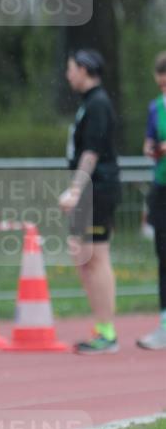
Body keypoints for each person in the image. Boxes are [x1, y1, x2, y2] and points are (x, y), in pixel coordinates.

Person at [58, 49, 121, 354]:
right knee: (83, 256)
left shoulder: (98, 104)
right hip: (91, 190)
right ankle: (102, 326)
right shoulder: (89, 103)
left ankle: (107, 332)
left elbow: (91, 152)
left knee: (95, 257)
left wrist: (75, 190)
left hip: (98, 189)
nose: (68, 74)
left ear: (84, 69)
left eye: (71, 68)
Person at [136, 50, 166, 350]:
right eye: (161, 84)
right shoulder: (155, 108)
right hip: (162, 185)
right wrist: (150, 147)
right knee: (163, 255)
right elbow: (149, 138)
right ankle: (165, 324)